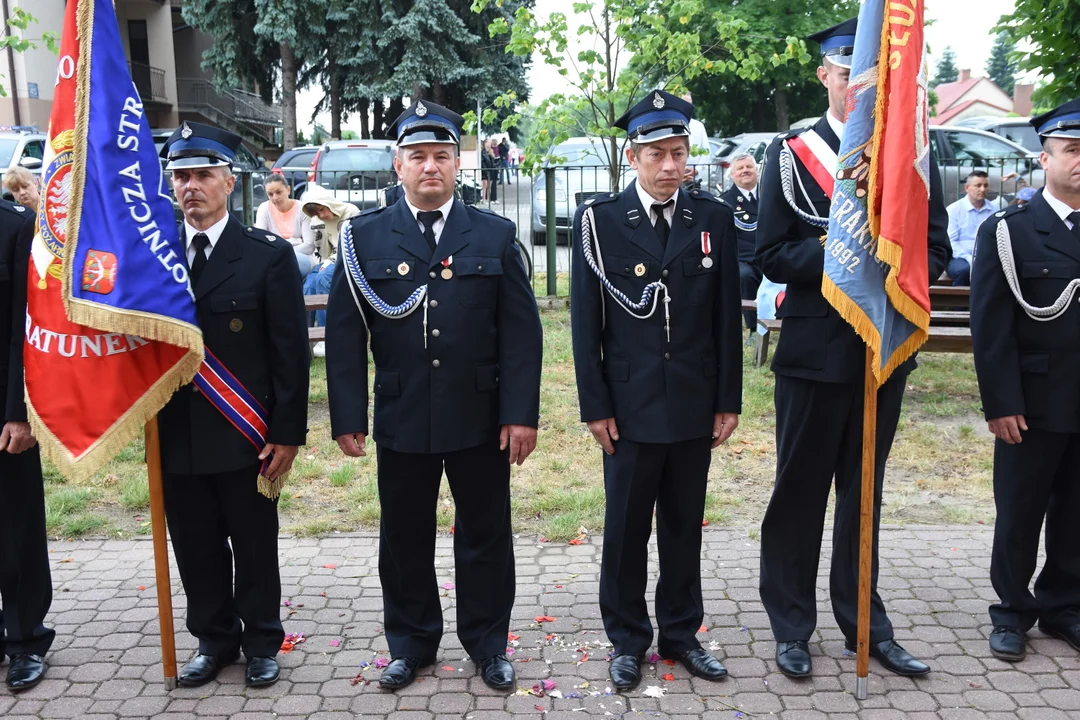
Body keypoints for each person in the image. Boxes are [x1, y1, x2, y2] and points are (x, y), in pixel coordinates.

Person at [754, 18, 950, 680]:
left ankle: (866, 623)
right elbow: (772, 254)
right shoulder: (791, 154)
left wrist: (890, 264)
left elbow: (938, 250)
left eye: (874, 80)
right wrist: (845, 259)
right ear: (827, 78)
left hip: (881, 355)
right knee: (800, 494)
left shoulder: (912, 156)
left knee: (864, 497)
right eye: (850, 77)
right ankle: (791, 625)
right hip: (813, 355)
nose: (862, 91)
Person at [325, 100, 543, 692]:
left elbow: (523, 333)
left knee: (486, 534)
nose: (430, 168)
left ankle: (488, 644)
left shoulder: (494, 235)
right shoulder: (363, 237)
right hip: (402, 414)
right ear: (397, 166)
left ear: (458, 165)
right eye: (417, 157)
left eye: (441, 156)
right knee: (404, 538)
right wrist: (348, 414)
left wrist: (521, 414)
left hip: (480, 416)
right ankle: (412, 643)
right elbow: (345, 336)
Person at [570, 89, 743, 690]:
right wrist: (594, 405)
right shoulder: (600, 221)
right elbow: (585, 322)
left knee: (682, 524)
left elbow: (725, 317)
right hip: (628, 405)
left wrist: (728, 399)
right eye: (657, 154)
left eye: (679, 152)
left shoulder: (712, 219)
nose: (671, 166)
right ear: (632, 155)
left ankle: (680, 632)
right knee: (625, 530)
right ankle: (626, 638)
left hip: (694, 402)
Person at [157, 121, 310, 689]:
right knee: (194, 543)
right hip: (175, 432)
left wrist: (288, 433)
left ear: (228, 182)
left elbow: (289, 355)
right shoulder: (156, 256)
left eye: (201, 175)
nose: (190, 186)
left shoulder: (265, 256)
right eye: (181, 177)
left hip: (246, 434)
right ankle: (213, 640)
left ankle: (262, 639)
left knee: (252, 542)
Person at [970, 98, 1080, 663]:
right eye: (1072, 150)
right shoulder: (1010, 230)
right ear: (1046, 158)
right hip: (1032, 402)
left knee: (1076, 512)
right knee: (1020, 511)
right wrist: (1001, 402)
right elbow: (990, 327)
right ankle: (1012, 611)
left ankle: (1064, 605)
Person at [0, 199, 52, 691]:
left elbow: (29, 328)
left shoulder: (17, 227)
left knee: (15, 530)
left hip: (4, 411)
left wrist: (22, 409)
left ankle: (24, 640)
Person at [300, 184, 360, 357]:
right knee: (309, 284)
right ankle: (307, 338)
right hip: (331, 260)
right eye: (317, 213)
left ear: (329, 204)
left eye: (322, 210)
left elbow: (351, 247)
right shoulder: (320, 221)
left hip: (349, 260)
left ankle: (327, 337)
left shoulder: (351, 212)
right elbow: (324, 251)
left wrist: (330, 262)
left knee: (323, 278)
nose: (322, 215)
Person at [719, 154, 761, 329]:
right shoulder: (725, 202)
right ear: (732, 175)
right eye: (740, 168)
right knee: (744, 276)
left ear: (756, 170)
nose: (745, 171)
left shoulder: (772, 194)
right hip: (745, 259)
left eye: (749, 167)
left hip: (773, 254)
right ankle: (753, 327)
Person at [255, 173, 316, 278]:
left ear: (288, 190)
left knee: (285, 262)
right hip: (273, 257)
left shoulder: (303, 209)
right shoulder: (264, 209)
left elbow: (309, 246)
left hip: (302, 257)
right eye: (270, 194)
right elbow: (260, 241)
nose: (275, 197)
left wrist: (281, 252)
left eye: (279, 192)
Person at [945, 171, 995, 286]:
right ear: (967, 188)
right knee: (964, 271)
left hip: (985, 256)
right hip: (958, 257)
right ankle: (959, 304)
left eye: (985, 185)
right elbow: (952, 242)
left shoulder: (994, 209)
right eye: (978, 185)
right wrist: (970, 259)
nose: (982, 189)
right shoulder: (954, 210)